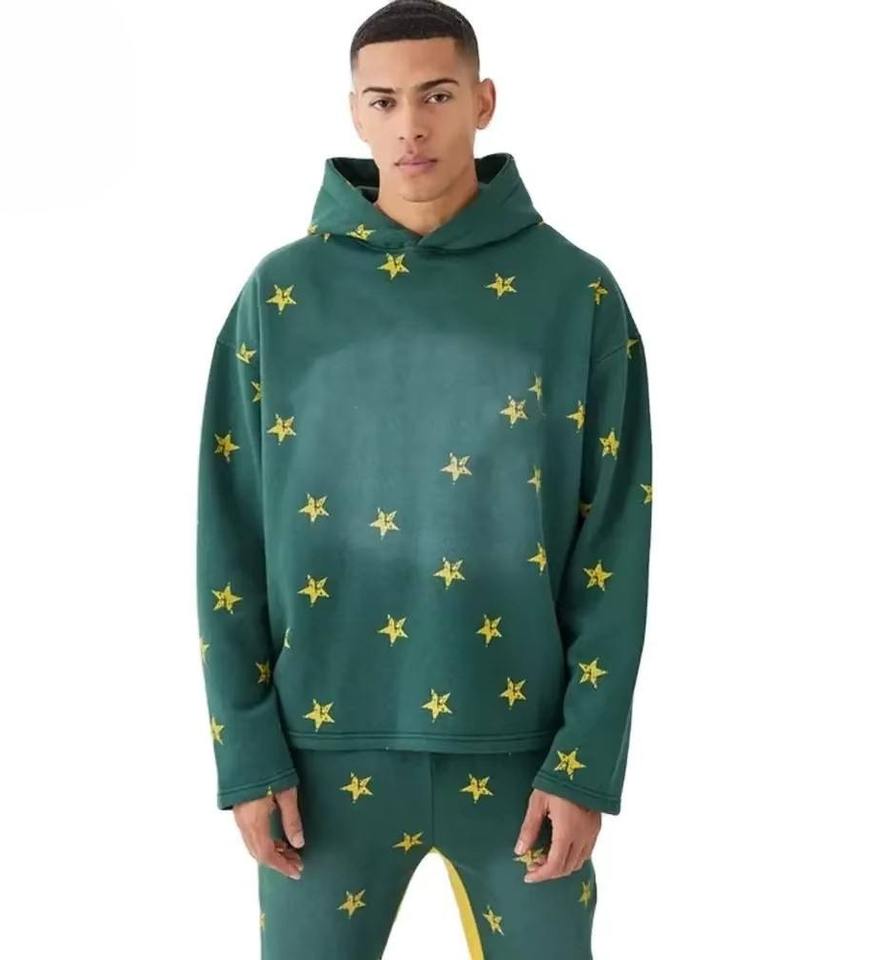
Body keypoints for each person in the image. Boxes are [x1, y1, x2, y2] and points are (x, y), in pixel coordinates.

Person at [195, 1, 653, 956]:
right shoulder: (280, 297)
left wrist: (585, 761)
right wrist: (245, 751)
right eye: (385, 100)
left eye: (438, 96)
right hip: (318, 761)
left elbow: (615, 540)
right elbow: (228, 533)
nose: (411, 125)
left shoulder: (577, 294)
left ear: (483, 102)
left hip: (525, 759)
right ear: (355, 113)